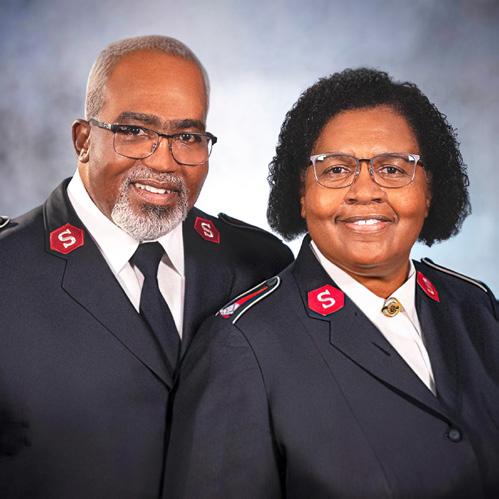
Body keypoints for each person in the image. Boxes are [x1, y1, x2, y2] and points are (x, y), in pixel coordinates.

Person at [165, 68, 499, 498]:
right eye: (337, 169)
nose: (365, 191)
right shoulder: (241, 346)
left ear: (429, 191)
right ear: (302, 194)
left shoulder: (475, 308)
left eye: (393, 169)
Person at [0, 35, 292, 498]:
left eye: (188, 137)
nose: (162, 161)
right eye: (134, 132)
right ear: (83, 140)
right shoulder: (7, 272)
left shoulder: (259, 265)